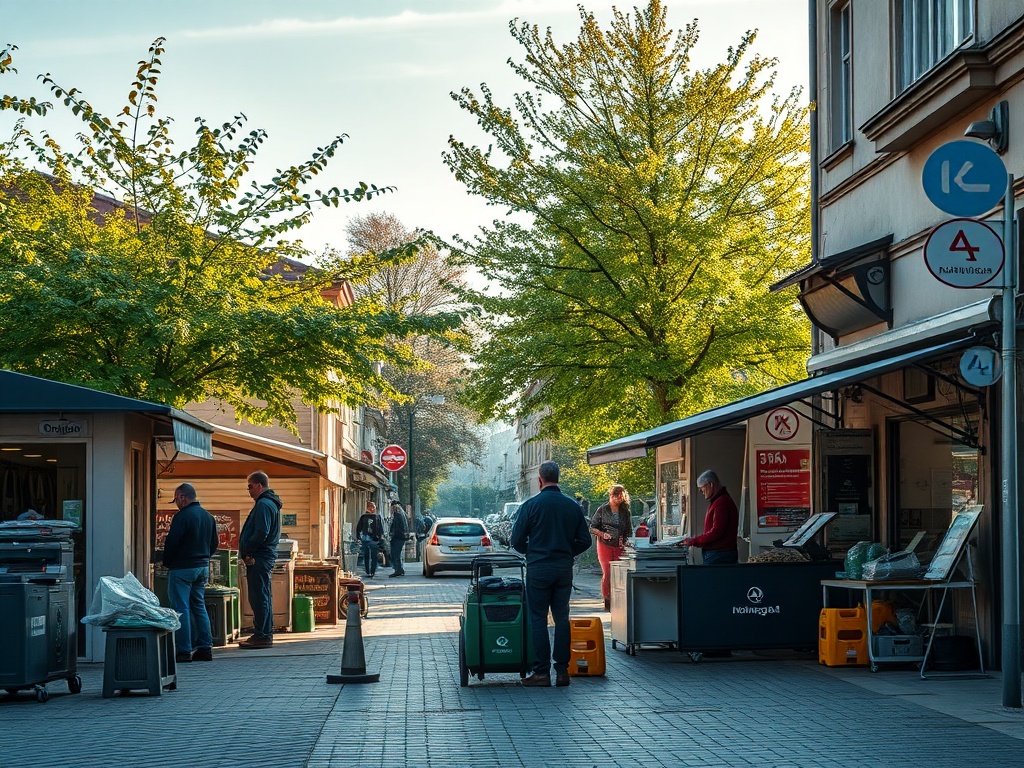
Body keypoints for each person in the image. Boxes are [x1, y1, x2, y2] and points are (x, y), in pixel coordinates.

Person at [510, 461, 591, 688]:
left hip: (538, 568)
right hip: (563, 569)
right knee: (562, 617)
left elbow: (516, 540)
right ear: (559, 477)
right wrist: (566, 553)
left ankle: (541, 673)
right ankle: (563, 672)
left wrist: (533, 553)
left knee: (538, 618)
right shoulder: (572, 506)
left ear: (540, 480)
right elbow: (585, 541)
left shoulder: (531, 506)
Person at [162, 483, 219, 663]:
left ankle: (184, 651)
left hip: (182, 568)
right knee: (199, 606)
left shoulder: (182, 517)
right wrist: (204, 557)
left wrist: (166, 562)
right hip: (202, 566)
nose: (177, 504)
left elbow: (172, 542)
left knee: (181, 608)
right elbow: (214, 543)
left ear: (183, 497)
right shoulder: (208, 517)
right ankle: (205, 648)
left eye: (177, 500)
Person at [237, 471, 282, 649]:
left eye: (250, 486)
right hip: (264, 555)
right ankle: (263, 633)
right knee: (262, 595)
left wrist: (248, 550)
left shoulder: (263, 504)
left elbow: (261, 532)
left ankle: (262, 634)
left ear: (259, 485)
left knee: (259, 596)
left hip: (260, 556)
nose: (249, 490)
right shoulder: (268, 504)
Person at [677, 470, 739, 564]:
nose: (702, 493)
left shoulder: (721, 503)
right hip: (721, 553)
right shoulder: (721, 500)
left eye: (703, 489)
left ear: (711, 485)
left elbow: (716, 531)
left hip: (719, 554)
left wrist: (694, 541)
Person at [589, 484, 633, 612]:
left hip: (620, 545)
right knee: (608, 572)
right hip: (604, 544)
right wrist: (603, 534)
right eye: (616, 496)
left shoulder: (625, 511)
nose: (618, 499)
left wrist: (627, 541)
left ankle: (619, 599)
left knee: (620, 572)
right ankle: (607, 600)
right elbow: (592, 527)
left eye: (621, 496)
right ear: (611, 496)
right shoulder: (602, 509)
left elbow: (628, 530)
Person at [355, 501, 385, 579]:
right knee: (372, 556)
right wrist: (381, 538)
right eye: (373, 507)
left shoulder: (364, 517)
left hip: (366, 538)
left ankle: (369, 571)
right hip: (374, 539)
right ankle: (371, 571)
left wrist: (359, 537)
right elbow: (380, 529)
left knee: (367, 555)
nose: (374, 509)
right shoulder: (376, 517)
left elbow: (358, 528)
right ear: (369, 508)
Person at [388, 500, 409, 577]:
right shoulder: (403, 515)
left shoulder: (397, 516)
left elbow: (396, 528)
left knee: (395, 554)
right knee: (397, 554)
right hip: (400, 538)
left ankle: (398, 570)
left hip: (397, 538)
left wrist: (391, 534)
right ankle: (399, 569)